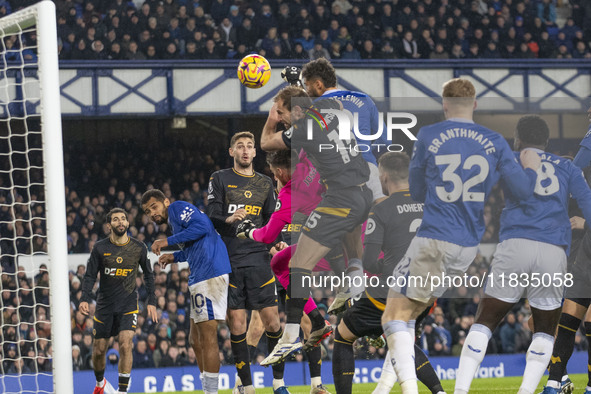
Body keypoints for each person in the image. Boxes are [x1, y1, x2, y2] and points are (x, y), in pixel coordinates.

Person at [380, 78, 541, 394]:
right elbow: (522, 192)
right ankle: (386, 389)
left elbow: (420, 190)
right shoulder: (494, 140)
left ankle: (409, 391)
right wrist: (531, 168)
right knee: (409, 313)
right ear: (475, 104)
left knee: (392, 317)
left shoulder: (428, 134)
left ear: (444, 104)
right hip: (467, 248)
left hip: (434, 238)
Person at [455, 115, 591, 394]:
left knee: (485, 320)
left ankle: (459, 391)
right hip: (554, 252)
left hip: (515, 243)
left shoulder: (509, 159)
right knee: (544, 330)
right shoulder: (568, 168)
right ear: (548, 141)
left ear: (517, 139)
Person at [259, 85, 372, 366]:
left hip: (341, 198)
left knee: (298, 265)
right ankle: (354, 292)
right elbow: (341, 110)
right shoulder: (332, 109)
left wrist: (271, 119)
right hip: (362, 192)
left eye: (283, 112)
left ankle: (292, 335)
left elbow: (265, 143)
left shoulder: (303, 129)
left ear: (297, 110)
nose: (281, 117)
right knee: (343, 249)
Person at [332, 152, 444, 394]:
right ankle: (438, 391)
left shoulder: (383, 209)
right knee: (401, 338)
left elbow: (370, 261)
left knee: (342, 334)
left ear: (383, 177)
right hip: (426, 291)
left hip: (390, 290)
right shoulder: (431, 207)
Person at [298, 58, 392, 314]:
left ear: (318, 84)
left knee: (344, 223)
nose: (307, 92)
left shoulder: (314, 107)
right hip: (371, 170)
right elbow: (382, 141)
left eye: (308, 87)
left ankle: (355, 281)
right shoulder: (365, 99)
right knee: (385, 231)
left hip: (342, 173)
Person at [236, 150, 331, 394]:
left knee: (308, 324)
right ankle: (243, 384)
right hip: (271, 266)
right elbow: (267, 232)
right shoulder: (275, 201)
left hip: (295, 263)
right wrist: (272, 246)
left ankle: (316, 385)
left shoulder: (294, 197)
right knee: (260, 326)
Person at [206, 132, 289, 394]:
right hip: (229, 260)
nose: (245, 150)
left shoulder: (265, 183)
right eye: (240, 146)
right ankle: (246, 386)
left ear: (255, 153)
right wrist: (228, 220)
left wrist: (279, 242)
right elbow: (212, 214)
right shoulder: (219, 178)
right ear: (231, 151)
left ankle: (278, 383)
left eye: (250, 147)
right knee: (238, 325)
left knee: (273, 323)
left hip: (258, 259)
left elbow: (272, 220)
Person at [141, 189, 231, 394]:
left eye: (154, 207)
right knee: (194, 340)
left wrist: (167, 241)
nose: (152, 213)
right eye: (148, 211)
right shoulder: (174, 223)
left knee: (207, 338)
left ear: (165, 201)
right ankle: (207, 388)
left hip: (209, 273)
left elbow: (204, 226)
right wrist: (174, 257)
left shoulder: (177, 208)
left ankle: (211, 392)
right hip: (200, 276)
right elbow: (193, 246)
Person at [80, 208, 157, 394]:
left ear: (128, 223)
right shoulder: (100, 248)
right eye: (116, 219)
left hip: (128, 304)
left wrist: (152, 300)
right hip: (105, 306)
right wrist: (84, 297)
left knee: (125, 343)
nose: (120, 222)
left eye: (123, 218)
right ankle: (100, 384)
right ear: (109, 225)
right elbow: (90, 275)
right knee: (98, 350)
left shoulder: (138, 247)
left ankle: (122, 391)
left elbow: (148, 274)